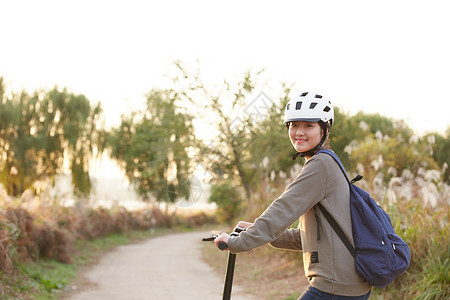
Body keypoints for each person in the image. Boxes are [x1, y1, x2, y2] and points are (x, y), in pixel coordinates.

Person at [214, 92, 372, 299]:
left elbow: (283, 209)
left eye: (308, 125)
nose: (299, 132)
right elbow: (302, 238)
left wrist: (237, 243)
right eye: (293, 125)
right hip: (347, 284)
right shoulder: (326, 163)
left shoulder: (320, 165)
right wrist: (254, 230)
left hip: (335, 287)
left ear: (325, 128)